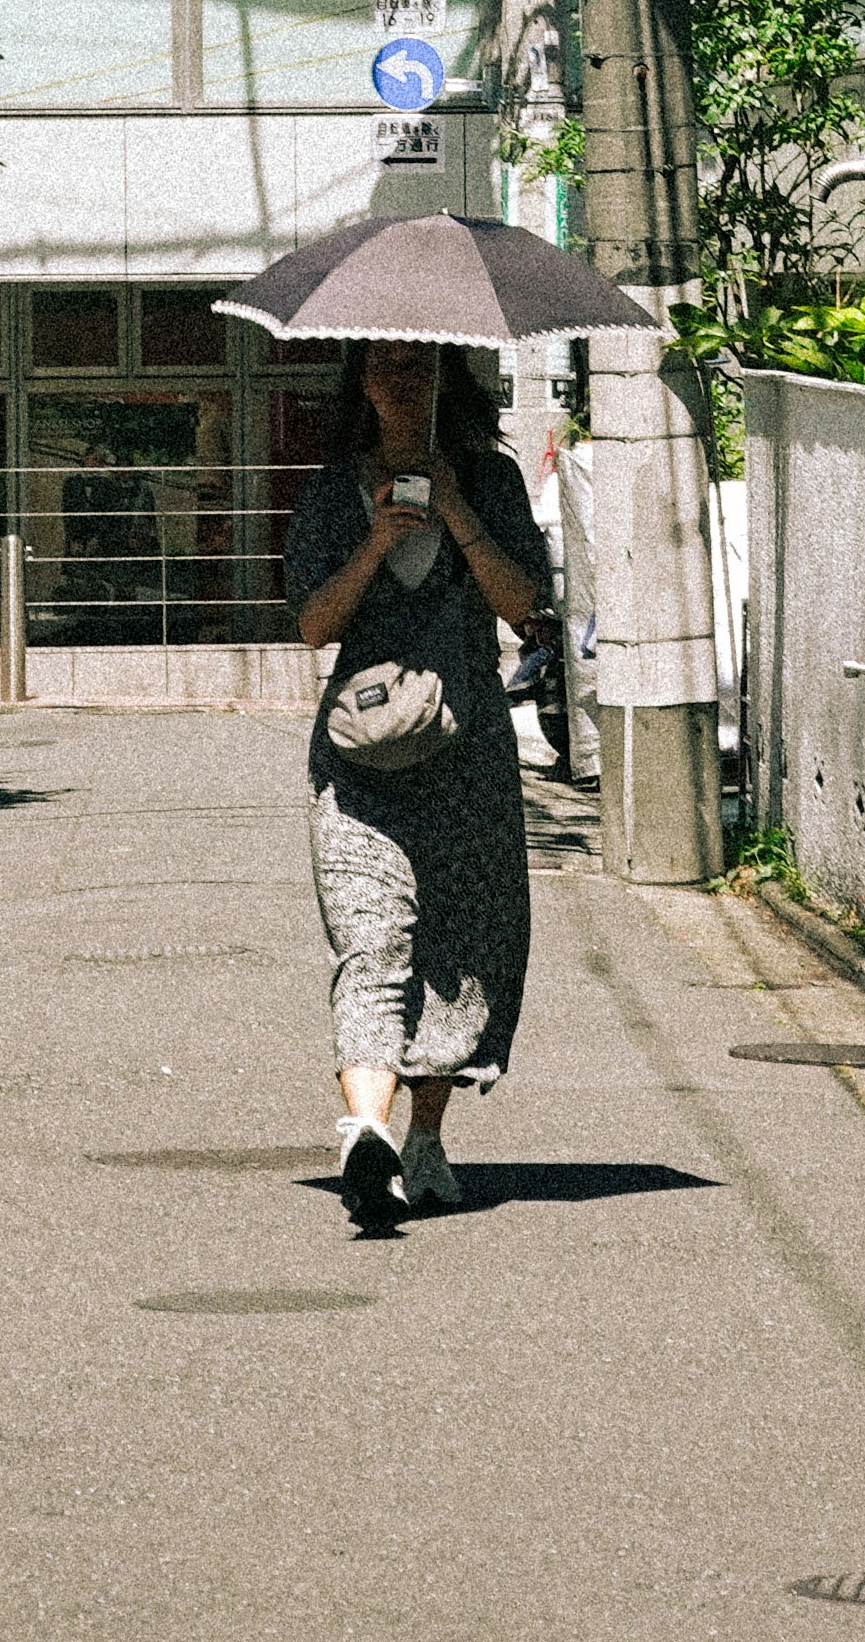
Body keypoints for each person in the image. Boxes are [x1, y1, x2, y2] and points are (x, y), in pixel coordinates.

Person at [282, 339, 544, 1234]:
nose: (404, 383)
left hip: (467, 757)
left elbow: (523, 605)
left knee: (461, 949)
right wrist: (379, 537)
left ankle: (423, 1138)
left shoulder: (492, 482)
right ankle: (366, 1130)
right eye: (388, 368)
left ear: (446, 383)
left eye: (422, 368)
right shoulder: (330, 493)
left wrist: (456, 506)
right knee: (372, 942)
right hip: (359, 765)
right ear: (362, 382)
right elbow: (314, 623)